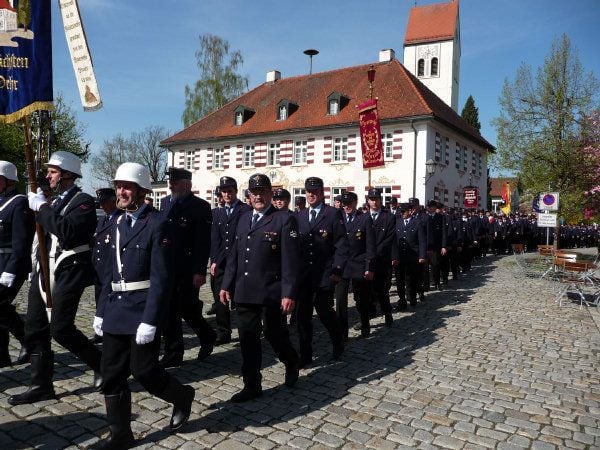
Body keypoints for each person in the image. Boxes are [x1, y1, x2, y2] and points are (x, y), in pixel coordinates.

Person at [93, 163, 194, 448]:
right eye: (118, 186)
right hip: (115, 308)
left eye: (126, 187)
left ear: (141, 191)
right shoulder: (116, 222)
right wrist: (100, 312)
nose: (120, 192)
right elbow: (109, 273)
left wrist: (150, 320)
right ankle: (120, 434)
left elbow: (162, 278)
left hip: (141, 310)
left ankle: (181, 395)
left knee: (144, 371)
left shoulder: (158, 223)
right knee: (111, 374)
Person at [10, 151, 102, 405]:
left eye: (53, 172)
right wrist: (37, 207)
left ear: (68, 175)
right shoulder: (53, 201)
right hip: (43, 267)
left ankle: (101, 363)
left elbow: (68, 231)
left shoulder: (82, 201)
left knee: (61, 328)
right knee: (34, 328)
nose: (48, 176)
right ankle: (41, 385)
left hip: (69, 268)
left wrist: (41, 208)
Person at [220, 174, 300, 402]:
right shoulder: (244, 219)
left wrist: (288, 292)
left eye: (262, 192)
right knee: (247, 338)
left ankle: (291, 359)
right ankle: (251, 384)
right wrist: (227, 284)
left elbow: (290, 261)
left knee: (274, 335)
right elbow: (234, 255)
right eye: (254, 193)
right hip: (245, 290)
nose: (258, 196)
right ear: (249, 195)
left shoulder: (283, 219)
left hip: (271, 291)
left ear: (270, 194)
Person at [159, 167, 216, 368]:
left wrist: (200, 271)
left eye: (175, 182)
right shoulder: (165, 202)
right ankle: (173, 352)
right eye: (170, 182)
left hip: (188, 268)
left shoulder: (200, 206)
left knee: (187, 309)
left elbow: (203, 242)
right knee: (168, 310)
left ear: (187, 184)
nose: (170, 185)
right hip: (167, 267)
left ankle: (207, 335)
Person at [295, 177, 348, 368]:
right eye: (308, 191)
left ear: (321, 192)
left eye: (315, 191)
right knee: (302, 316)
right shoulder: (299, 216)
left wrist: (337, 269)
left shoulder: (332, 214)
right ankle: (305, 354)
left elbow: (341, 244)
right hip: (304, 275)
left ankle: (337, 340)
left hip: (325, 273)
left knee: (324, 312)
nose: (310, 194)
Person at [210, 176, 252, 344]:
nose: (226, 194)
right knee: (219, 299)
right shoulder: (217, 212)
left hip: (240, 261)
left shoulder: (245, 210)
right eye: (224, 191)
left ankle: (245, 331)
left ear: (235, 192)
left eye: (229, 191)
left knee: (239, 298)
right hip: (221, 262)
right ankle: (223, 332)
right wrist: (213, 260)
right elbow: (215, 239)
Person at [0, 161, 34, 367]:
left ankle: (28, 340)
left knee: (0, 306)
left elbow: (21, 241)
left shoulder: (20, 202)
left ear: (7, 180)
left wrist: (11, 270)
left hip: (11, 264)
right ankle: (2, 355)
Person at [335, 191, 375, 339]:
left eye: (349, 204)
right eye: (344, 204)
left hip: (359, 265)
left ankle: (365, 323)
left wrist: (369, 267)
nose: (346, 207)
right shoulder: (338, 218)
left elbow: (370, 245)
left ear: (355, 203)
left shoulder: (364, 219)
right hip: (341, 266)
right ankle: (342, 332)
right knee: (340, 301)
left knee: (361, 299)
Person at [91, 188, 123, 344]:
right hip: (99, 268)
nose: (102, 206)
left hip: (111, 269)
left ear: (113, 201)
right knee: (99, 299)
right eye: (100, 203)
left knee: (110, 301)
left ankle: (109, 329)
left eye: (104, 202)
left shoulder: (119, 219)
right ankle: (100, 329)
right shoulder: (103, 219)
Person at [366, 188, 394, 326]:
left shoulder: (388, 217)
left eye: (376, 199)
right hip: (366, 260)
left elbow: (389, 238)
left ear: (380, 200)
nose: (374, 202)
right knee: (367, 290)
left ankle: (387, 312)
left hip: (381, 259)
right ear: (368, 201)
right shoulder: (363, 216)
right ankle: (369, 315)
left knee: (381, 289)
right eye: (372, 199)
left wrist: (375, 252)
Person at [392, 203, 427, 310]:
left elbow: (421, 241)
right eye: (400, 211)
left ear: (410, 211)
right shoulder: (397, 222)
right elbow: (393, 240)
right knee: (399, 280)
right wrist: (393, 256)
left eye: (404, 211)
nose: (401, 213)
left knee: (411, 279)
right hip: (400, 256)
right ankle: (402, 299)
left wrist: (422, 255)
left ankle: (412, 297)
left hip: (412, 256)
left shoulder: (417, 222)